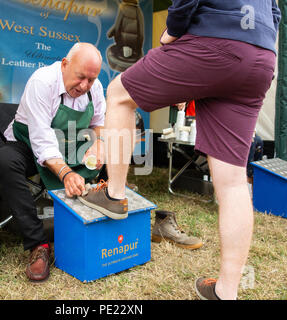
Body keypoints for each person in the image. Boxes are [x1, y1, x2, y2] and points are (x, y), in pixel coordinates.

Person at [79, 0, 280, 300]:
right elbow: (275, 11)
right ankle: (227, 292)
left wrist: (173, 30)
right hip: (261, 55)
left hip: (215, 40)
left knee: (119, 94)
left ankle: (114, 195)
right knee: (234, 181)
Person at [0, 43, 106, 282]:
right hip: (28, 141)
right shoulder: (42, 82)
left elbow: (99, 121)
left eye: (91, 80)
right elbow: (42, 140)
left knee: (102, 158)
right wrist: (65, 173)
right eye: (81, 77)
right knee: (4, 161)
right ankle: (38, 244)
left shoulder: (94, 88)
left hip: (67, 142)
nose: (85, 86)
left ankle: (87, 225)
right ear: (65, 65)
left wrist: (98, 143)